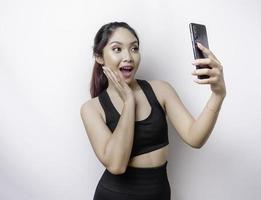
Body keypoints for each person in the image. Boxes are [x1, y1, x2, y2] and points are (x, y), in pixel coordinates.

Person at [80, 21, 226, 200]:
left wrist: (218, 95)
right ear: (99, 57)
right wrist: (129, 102)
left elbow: (194, 137)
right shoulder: (92, 109)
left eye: (134, 48)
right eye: (117, 49)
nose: (128, 57)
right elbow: (116, 165)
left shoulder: (160, 89)